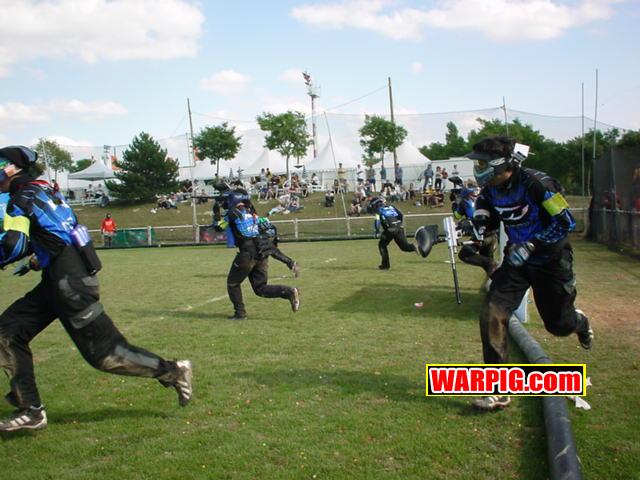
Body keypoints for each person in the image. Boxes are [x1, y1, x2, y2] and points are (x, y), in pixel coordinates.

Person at [0, 146, 192, 433]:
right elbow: (59, 236)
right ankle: (31, 410)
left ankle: (174, 371)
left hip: (69, 286)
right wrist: (36, 260)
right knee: (6, 332)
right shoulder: (45, 191)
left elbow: (14, 244)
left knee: (105, 354)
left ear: (10, 169)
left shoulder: (21, 198)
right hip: (61, 281)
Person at [466, 136, 593, 412]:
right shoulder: (491, 188)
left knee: (558, 325)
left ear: (501, 164)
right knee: (492, 312)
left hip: (551, 261)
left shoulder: (538, 184)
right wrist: (479, 225)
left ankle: (580, 322)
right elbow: (487, 209)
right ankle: (498, 390)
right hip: (516, 262)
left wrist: (533, 245)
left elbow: (566, 222)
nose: (477, 169)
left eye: (482, 163)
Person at [213, 182, 300, 320]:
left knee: (233, 284)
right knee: (260, 288)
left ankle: (240, 313)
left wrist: (216, 213)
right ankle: (289, 292)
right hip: (261, 253)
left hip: (247, 254)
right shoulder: (251, 213)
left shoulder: (231, 214)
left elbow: (218, 227)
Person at [451, 183, 498, 277]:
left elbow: (457, 216)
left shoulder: (465, 202)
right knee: (486, 262)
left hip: (480, 234)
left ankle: (492, 265)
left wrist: (454, 205)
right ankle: (498, 281)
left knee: (464, 255)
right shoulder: (482, 198)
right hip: (491, 233)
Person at [369, 197, 417, 270]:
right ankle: (414, 247)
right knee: (404, 247)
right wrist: (400, 224)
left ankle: (385, 265)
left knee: (382, 245)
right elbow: (401, 215)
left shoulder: (379, 210)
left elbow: (377, 221)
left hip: (390, 230)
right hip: (399, 228)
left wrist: (377, 231)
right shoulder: (391, 207)